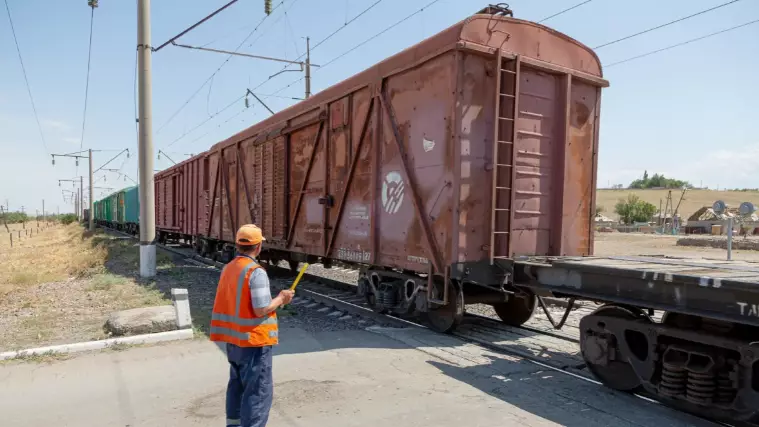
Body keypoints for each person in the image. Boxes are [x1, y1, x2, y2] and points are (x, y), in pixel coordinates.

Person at [210, 224, 295, 427]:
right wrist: (282, 298)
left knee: (237, 386)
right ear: (258, 247)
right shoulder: (255, 272)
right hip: (254, 342)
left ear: (238, 245)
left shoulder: (228, 268)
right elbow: (261, 309)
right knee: (257, 393)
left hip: (233, 341)